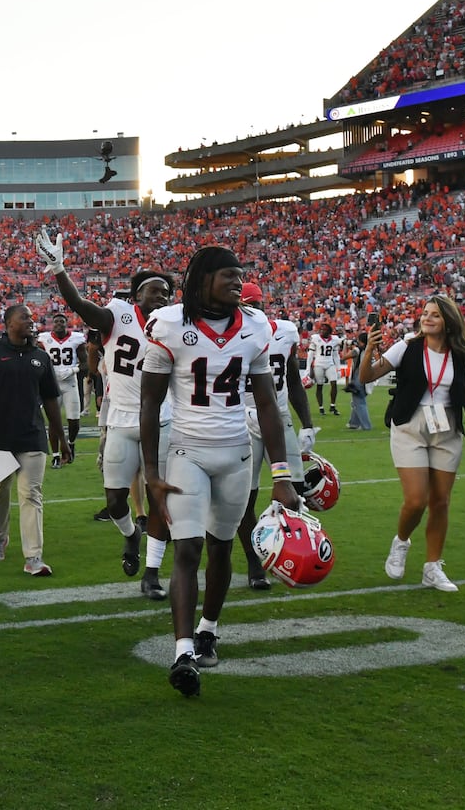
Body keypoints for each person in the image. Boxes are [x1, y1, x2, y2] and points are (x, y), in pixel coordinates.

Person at [139, 246, 300, 697]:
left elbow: (267, 402)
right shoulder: (169, 323)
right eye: (229, 276)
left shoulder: (255, 326)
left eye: (240, 276)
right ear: (203, 279)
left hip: (236, 452)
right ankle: (183, 650)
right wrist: (151, 472)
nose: (237, 284)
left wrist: (282, 473)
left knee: (222, 548)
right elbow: (150, 403)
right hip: (187, 451)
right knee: (187, 548)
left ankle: (210, 627)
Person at [37, 228, 175, 595]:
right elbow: (81, 306)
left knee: (161, 498)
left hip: (163, 421)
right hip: (121, 420)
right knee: (115, 501)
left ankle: (152, 573)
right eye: (154, 290)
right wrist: (59, 270)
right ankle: (131, 536)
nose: (161, 296)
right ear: (136, 295)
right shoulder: (119, 315)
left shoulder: (177, 323)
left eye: (166, 292)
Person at [360, 295, 465, 593]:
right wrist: (369, 348)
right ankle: (401, 541)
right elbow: (367, 375)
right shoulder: (407, 347)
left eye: (435, 314)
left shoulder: (462, 351)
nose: (427, 318)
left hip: (447, 427)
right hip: (410, 424)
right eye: (425, 313)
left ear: (449, 320)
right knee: (416, 500)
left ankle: (432, 567)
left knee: (441, 502)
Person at [0, 303, 70, 577]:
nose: (31, 321)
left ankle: (34, 556)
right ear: (9, 323)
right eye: (25, 317)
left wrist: (61, 436)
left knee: (31, 494)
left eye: (32, 318)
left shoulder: (40, 357)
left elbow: (50, 400)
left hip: (32, 436)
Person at [235, 282, 317, 591]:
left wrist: (306, 423)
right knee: (246, 497)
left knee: (293, 491)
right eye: (246, 306)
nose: (252, 311)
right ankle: (255, 561)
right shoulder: (230, 334)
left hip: (278, 417)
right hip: (241, 419)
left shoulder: (285, 331)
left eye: (255, 304)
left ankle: (288, 552)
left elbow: (293, 379)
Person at [37, 312, 87, 467]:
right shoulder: (44, 339)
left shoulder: (76, 339)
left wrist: (73, 370)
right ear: (52, 324)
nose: (59, 324)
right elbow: (37, 359)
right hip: (52, 384)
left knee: (74, 420)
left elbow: (85, 363)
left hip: (70, 382)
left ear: (67, 324)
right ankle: (56, 455)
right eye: (56, 321)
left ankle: (70, 444)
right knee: (53, 420)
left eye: (62, 322)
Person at [308, 321, 343, 416]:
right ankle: (321, 407)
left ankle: (332, 406)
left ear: (329, 331)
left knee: (334, 383)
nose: (322, 331)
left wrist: (338, 368)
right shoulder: (315, 338)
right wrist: (308, 369)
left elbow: (336, 356)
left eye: (324, 329)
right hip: (318, 364)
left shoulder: (334, 340)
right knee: (319, 386)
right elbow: (310, 355)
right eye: (321, 329)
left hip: (329, 363)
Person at [343, 331, 374, 430]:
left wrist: (345, 345)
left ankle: (366, 426)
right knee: (357, 401)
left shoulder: (357, 350)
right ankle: (354, 423)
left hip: (358, 376)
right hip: (368, 376)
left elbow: (344, 356)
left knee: (359, 402)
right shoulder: (370, 349)